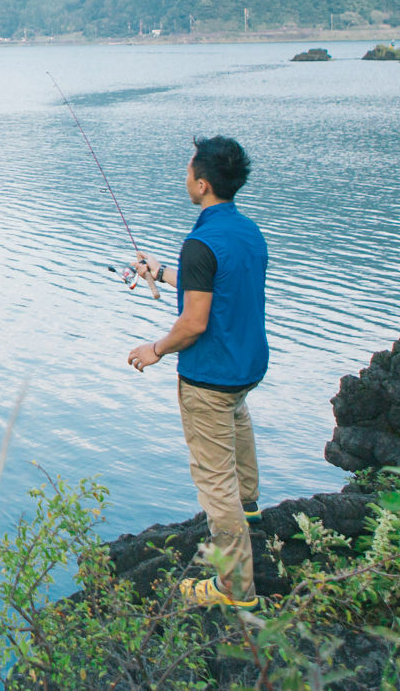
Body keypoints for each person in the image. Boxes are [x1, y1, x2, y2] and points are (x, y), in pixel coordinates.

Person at [125, 136, 270, 608]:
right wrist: (160, 270)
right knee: (237, 425)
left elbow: (193, 322)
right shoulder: (248, 232)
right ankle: (250, 511)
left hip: (210, 375)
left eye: (188, 171)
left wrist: (155, 349)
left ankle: (235, 587)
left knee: (214, 481)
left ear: (202, 184)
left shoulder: (201, 242)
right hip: (246, 367)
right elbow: (212, 284)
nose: (184, 177)